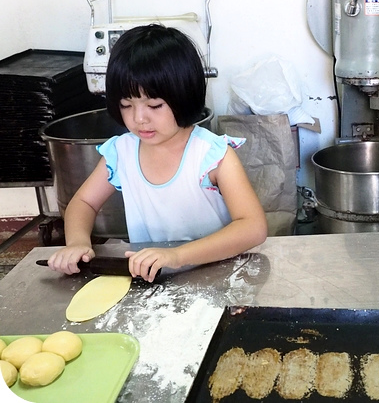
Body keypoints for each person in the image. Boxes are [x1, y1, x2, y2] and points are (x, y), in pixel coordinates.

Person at [48, 24, 268, 282]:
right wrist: (77, 242)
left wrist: (176, 255)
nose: (139, 118)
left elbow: (253, 227)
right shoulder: (122, 152)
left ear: (184, 95)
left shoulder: (211, 155)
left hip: (217, 276)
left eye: (154, 105)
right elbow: (84, 202)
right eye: (126, 105)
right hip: (152, 281)